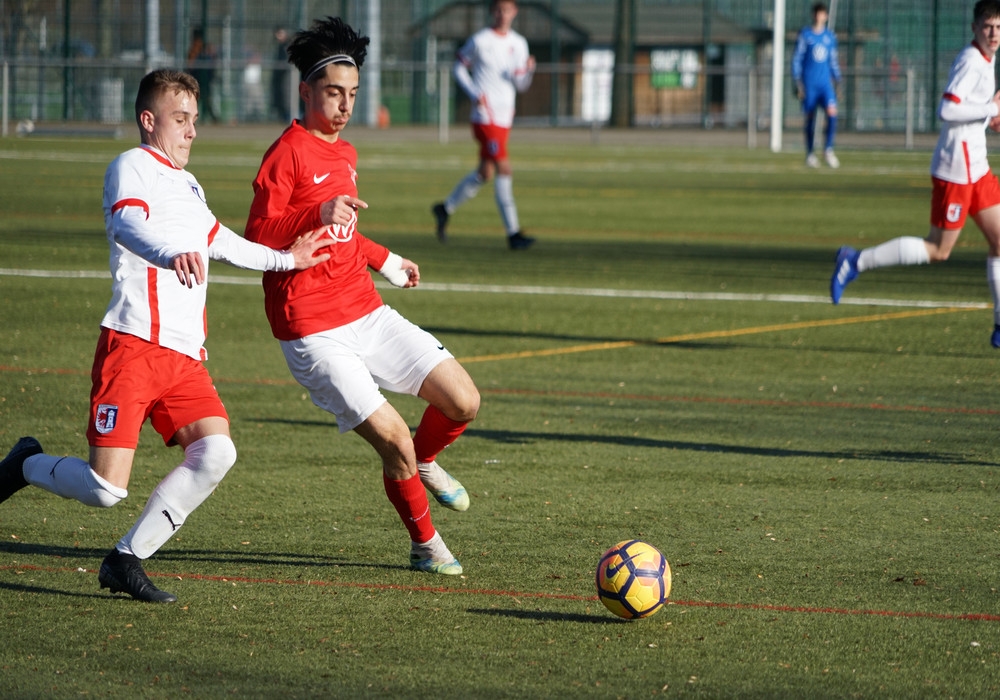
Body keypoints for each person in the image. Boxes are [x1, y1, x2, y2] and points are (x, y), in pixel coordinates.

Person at [0, 69, 334, 603]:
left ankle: (125, 558)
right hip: (133, 345)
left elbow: (220, 240)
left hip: (184, 358)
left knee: (216, 452)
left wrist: (286, 259)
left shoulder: (188, 183)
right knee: (105, 489)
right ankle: (25, 464)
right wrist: (168, 252)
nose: (192, 130)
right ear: (149, 120)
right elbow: (126, 226)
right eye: (180, 119)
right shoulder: (131, 166)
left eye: (195, 120)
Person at [244, 17, 481, 575]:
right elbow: (255, 237)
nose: (345, 104)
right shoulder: (286, 154)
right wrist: (315, 212)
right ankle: (425, 545)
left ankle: (426, 461)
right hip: (313, 330)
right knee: (394, 440)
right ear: (306, 91)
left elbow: (343, 230)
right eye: (334, 93)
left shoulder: (346, 153)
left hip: (366, 310)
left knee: (463, 401)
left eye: (352, 93)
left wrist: (385, 259)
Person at [830, 0, 1000, 349]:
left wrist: (989, 118)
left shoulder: (987, 58)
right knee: (938, 249)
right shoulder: (971, 60)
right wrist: (990, 108)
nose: (994, 33)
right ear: (975, 28)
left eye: (999, 27)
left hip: (977, 167)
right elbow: (947, 109)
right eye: (987, 26)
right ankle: (856, 261)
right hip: (956, 170)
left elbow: (971, 113)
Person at [431, 0, 536, 250]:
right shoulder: (480, 40)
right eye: (498, 10)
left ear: (514, 12)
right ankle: (513, 233)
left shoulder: (519, 43)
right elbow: (459, 67)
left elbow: (521, 85)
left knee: (484, 173)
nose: (502, 14)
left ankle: (445, 208)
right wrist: (474, 93)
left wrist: (529, 71)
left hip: (504, 117)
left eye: (507, 10)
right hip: (484, 116)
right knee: (504, 168)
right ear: (492, 12)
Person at [792, 2, 841, 168]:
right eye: (816, 13)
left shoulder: (830, 37)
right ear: (813, 15)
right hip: (809, 84)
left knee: (832, 113)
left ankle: (828, 150)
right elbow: (797, 59)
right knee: (810, 119)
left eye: (822, 13)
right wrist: (797, 81)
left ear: (826, 16)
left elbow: (833, 61)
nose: (819, 16)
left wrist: (838, 80)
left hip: (825, 84)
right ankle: (810, 153)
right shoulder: (805, 35)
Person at [187, 29, 218, 123]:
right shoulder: (194, 50)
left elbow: (213, 59)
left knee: (206, 99)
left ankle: (213, 118)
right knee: (197, 100)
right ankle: (195, 118)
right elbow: (190, 65)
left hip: (205, 81)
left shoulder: (206, 50)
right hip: (195, 79)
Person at [270, 27, 292, 123]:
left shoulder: (288, 46)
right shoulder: (280, 47)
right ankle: (283, 117)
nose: (279, 36)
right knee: (280, 98)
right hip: (280, 78)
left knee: (287, 98)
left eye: (280, 34)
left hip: (287, 77)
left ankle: (289, 116)